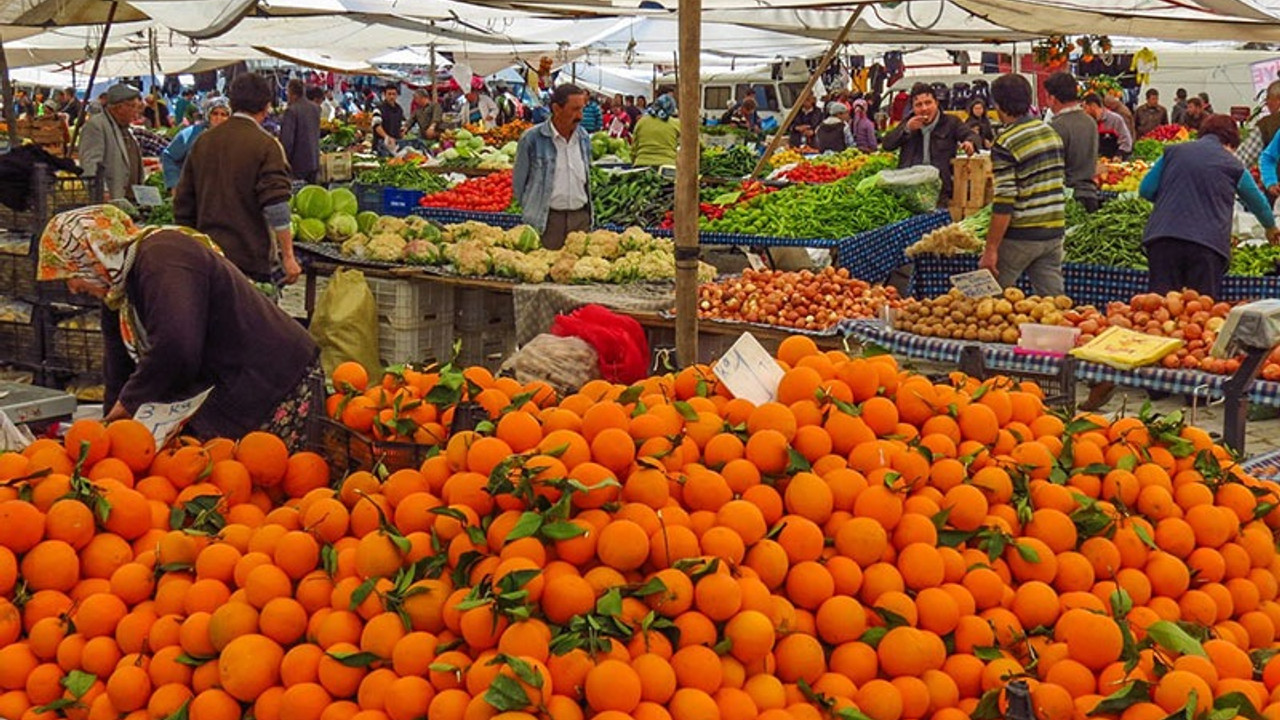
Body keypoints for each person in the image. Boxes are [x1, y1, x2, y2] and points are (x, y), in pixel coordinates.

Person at [36, 205, 320, 446]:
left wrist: (129, 406)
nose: (72, 288)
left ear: (90, 254)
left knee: (279, 489)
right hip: (226, 387)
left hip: (274, 380)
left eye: (69, 274)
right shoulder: (118, 295)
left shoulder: (163, 256)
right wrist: (109, 432)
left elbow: (177, 347)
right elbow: (119, 370)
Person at [174, 72, 299, 287]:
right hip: (249, 258)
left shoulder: (204, 142)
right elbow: (276, 204)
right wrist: (288, 256)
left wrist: (194, 248)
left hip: (209, 256)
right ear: (266, 106)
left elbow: (183, 203)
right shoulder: (267, 145)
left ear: (232, 103)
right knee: (248, 318)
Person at [1141, 114, 1279, 297]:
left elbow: (1146, 189)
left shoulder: (1174, 152)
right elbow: (1257, 202)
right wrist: (1270, 227)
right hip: (1207, 246)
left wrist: (1174, 200)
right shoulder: (1234, 165)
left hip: (1163, 240)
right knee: (1199, 311)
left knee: (1159, 311)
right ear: (1231, 141)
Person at [978, 73, 1066, 297]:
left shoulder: (1006, 142)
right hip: (1053, 232)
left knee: (989, 299)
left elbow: (1005, 201)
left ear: (998, 104)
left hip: (1021, 236)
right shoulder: (1050, 132)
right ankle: (1059, 331)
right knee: (1053, 302)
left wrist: (990, 249)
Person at [512, 84, 592, 250]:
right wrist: (533, 210)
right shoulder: (532, 139)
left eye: (582, 109)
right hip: (548, 221)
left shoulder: (583, 137)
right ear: (557, 108)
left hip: (580, 219)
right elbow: (519, 185)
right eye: (575, 109)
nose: (580, 116)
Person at [881, 82, 977, 201]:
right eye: (919, 105)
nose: (924, 108)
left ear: (936, 103)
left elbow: (970, 135)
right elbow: (887, 145)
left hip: (940, 190)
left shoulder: (951, 122)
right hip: (910, 188)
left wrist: (969, 142)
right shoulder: (908, 123)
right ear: (913, 107)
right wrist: (906, 130)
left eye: (928, 103)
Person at [78, 83, 143, 202]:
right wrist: (102, 192)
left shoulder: (126, 128)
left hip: (131, 199)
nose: (136, 112)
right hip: (112, 199)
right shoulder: (96, 125)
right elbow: (90, 163)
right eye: (133, 106)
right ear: (119, 108)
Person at [1044, 72, 1099, 213]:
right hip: (1091, 194)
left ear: (1053, 98)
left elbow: (1051, 170)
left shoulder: (1057, 126)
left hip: (1069, 200)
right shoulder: (1090, 122)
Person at [161, 98, 230, 190]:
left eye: (224, 114)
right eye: (215, 113)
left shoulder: (233, 137)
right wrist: (174, 184)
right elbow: (169, 156)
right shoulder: (190, 134)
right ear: (207, 115)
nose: (219, 118)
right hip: (193, 190)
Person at [279, 79, 321, 183]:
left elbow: (287, 141)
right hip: (314, 161)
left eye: (287, 93)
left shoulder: (291, 111)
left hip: (297, 166)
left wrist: (283, 162)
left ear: (292, 93)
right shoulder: (315, 108)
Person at [1240, 81, 1280, 170]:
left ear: (1278, 100)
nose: (1266, 103)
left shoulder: (1266, 125)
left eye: (1268, 98)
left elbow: (1242, 159)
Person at [630, 94, 679, 167]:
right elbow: (695, 142)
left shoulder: (642, 122)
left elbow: (634, 148)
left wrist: (634, 161)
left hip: (642, 164)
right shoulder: (675, 123)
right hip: (667, 165)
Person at [1084, 93, 1133, 159]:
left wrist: (1119, 155)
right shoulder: (1087, 122)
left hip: (1114, 164)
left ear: (1093, 106)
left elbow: (1126, 141)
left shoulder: (1115, 119)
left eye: (1085, 108)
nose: (1084, 111)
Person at [370, 84, 405, 156]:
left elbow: (402, 124)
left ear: (397, 95)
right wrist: (386, 137)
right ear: (384, 95)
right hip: (380, 145)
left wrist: (402, 132)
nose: (391, 96)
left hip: (395, 145)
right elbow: (376, 125)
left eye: (394, 94)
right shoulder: (378, 108)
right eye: (389, 94)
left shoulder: (399, 109)